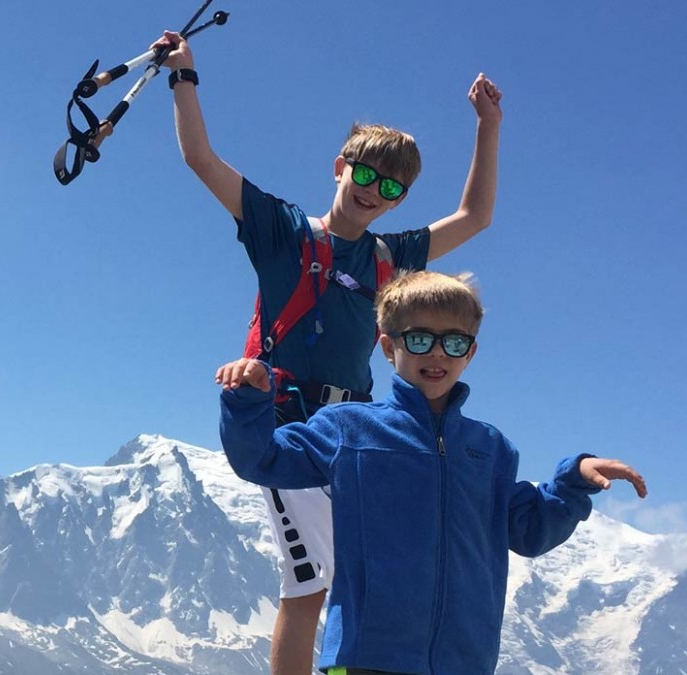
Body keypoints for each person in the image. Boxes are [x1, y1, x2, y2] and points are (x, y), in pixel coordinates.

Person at [155, 28, 506, 673]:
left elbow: (475, 216)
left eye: (393, 188)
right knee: (309, 583)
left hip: (357, 430)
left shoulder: (391, 257)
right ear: (341, 166)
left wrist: (488, 125)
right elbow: (201, 159)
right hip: (289, 424)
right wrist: (185, 76)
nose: (375, 191)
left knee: (352, 576)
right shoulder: (282, 230)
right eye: (367, 174)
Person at [216, 271, 648, 675]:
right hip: (366, 656)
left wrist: (572, 483)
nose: (438, 352)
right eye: (420, 339)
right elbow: (262, 460)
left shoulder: (490, 449)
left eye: (454, 342)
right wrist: (247, 402)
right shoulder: (348, 428)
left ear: (471, 352)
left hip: (465, 662)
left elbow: (529, 532)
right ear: (388, 347)